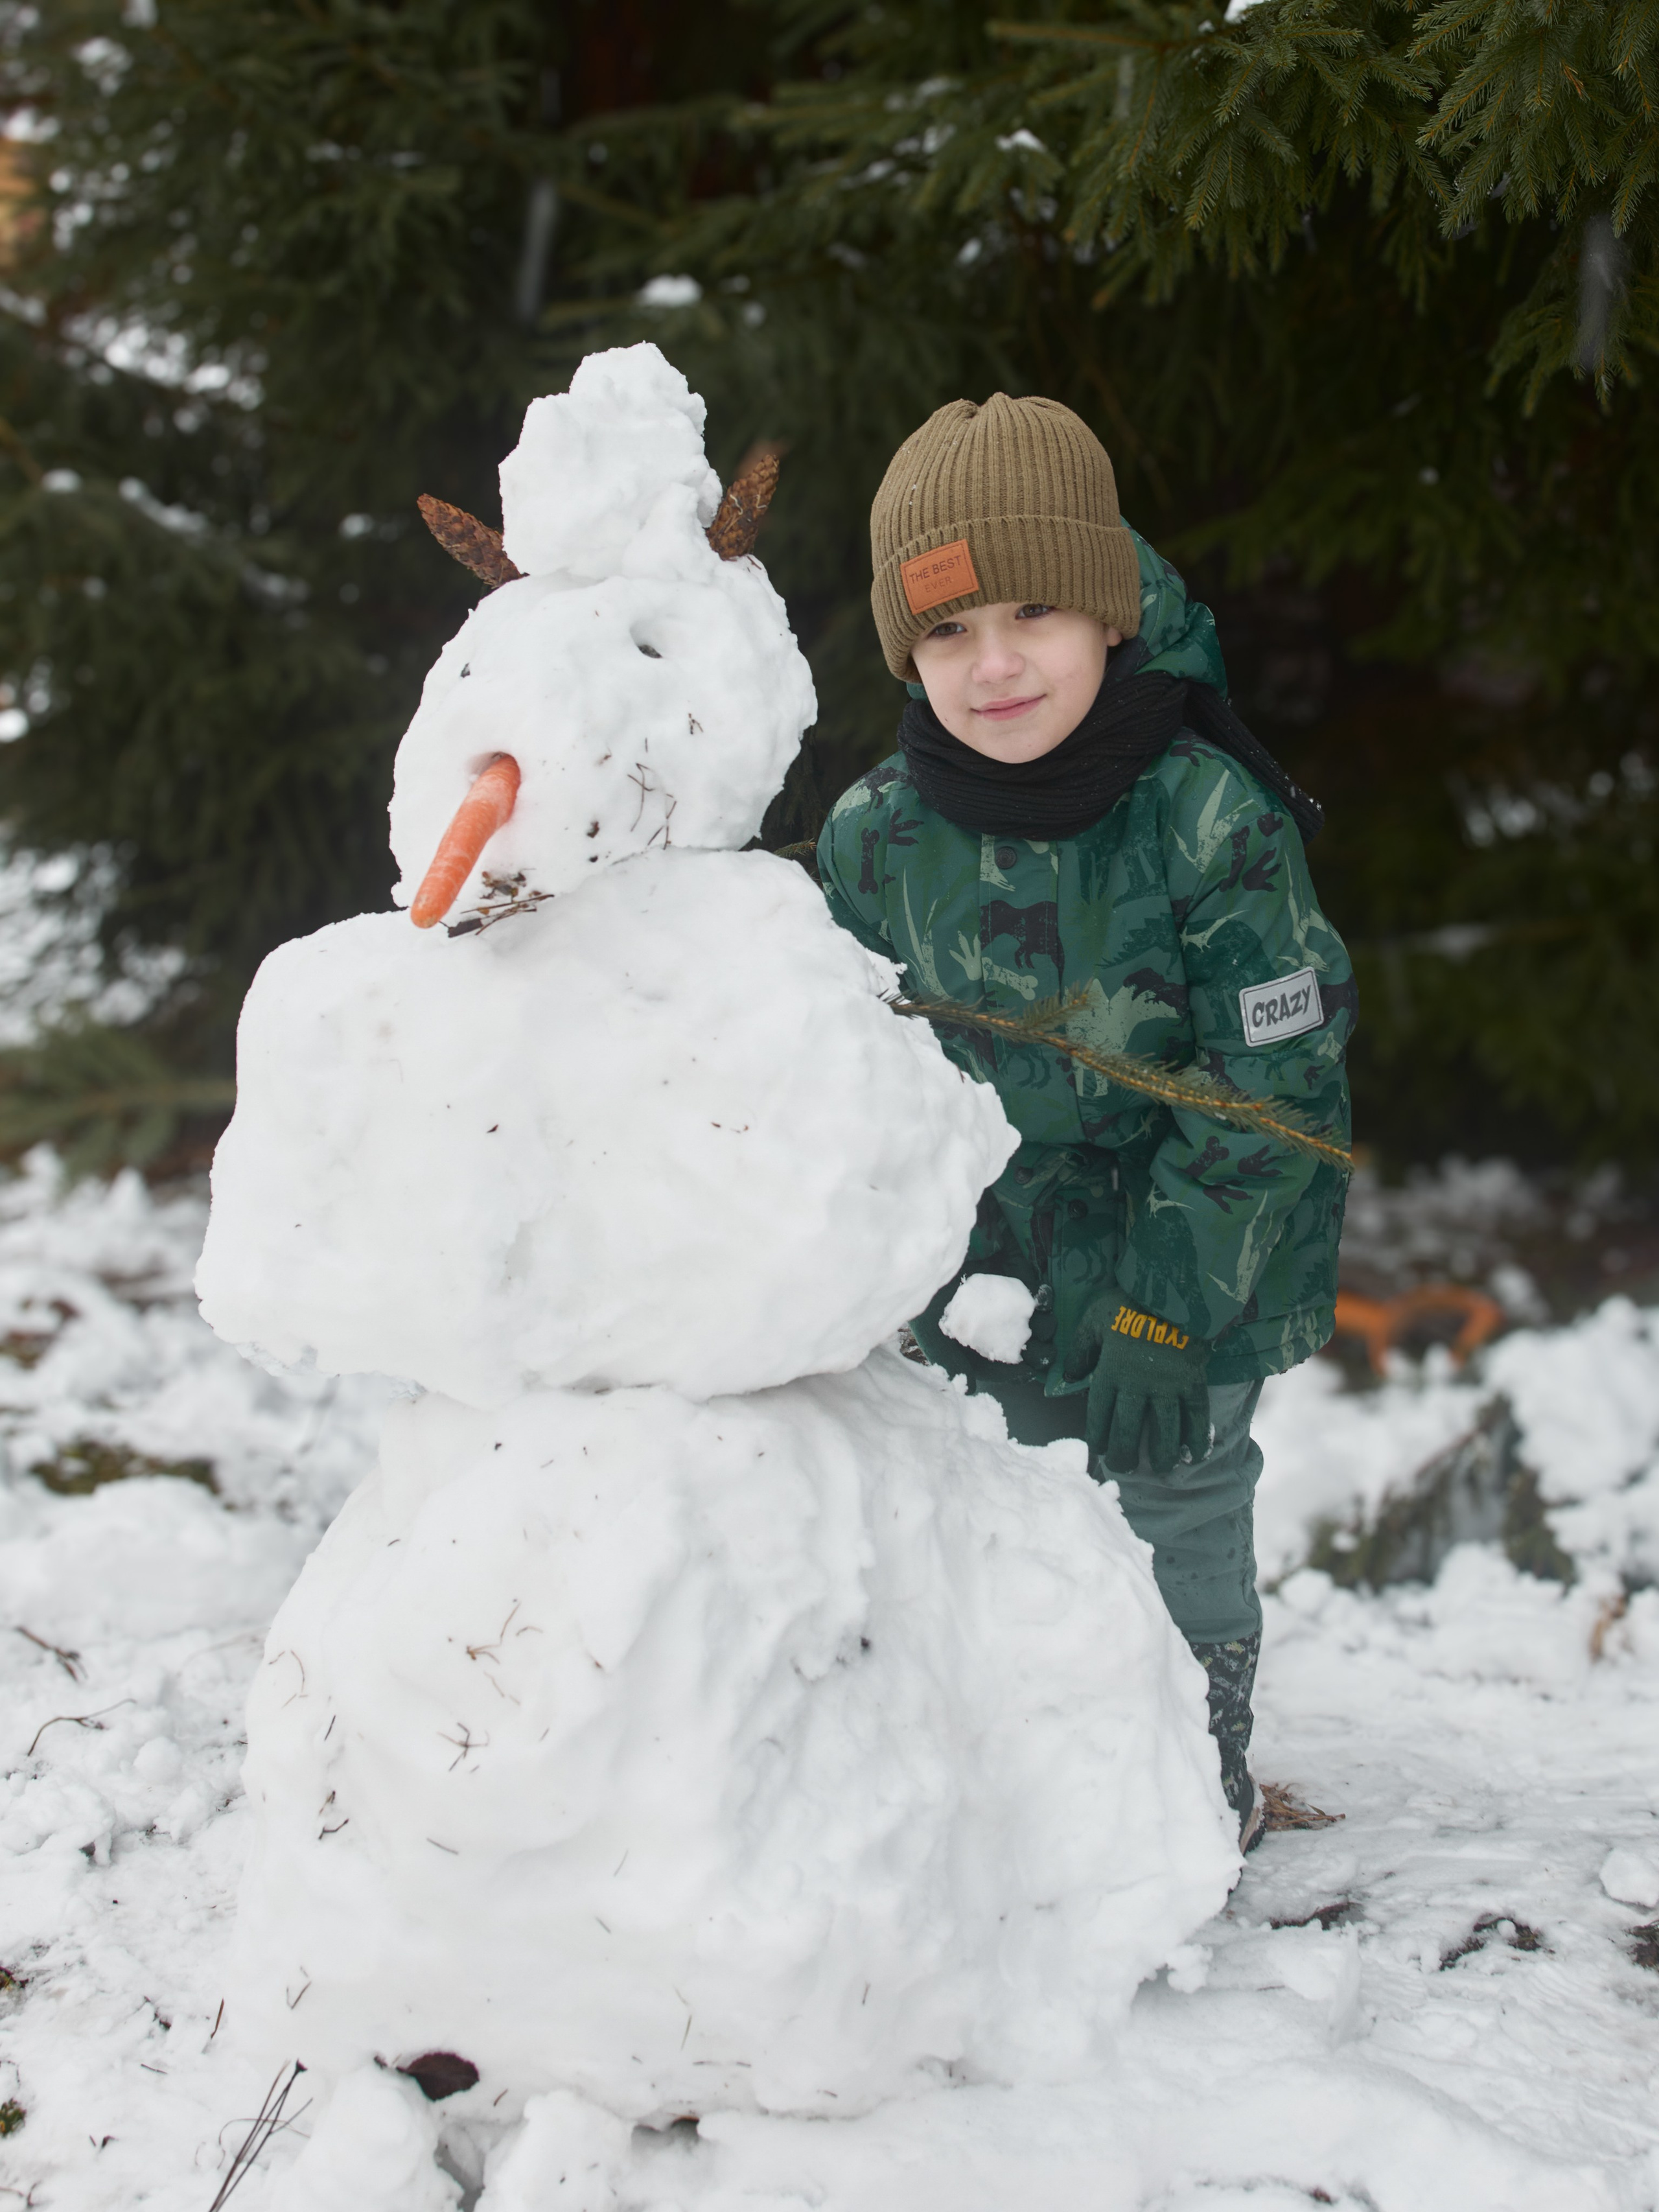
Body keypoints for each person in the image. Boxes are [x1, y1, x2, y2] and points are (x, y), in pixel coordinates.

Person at [815, 394, 1354, 1848]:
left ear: (1106, 617)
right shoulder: (874, 837)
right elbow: (840, 1076)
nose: (990, 667)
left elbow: (1274, 1087)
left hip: (1196, 1252)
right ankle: (1023, 1781)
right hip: (985, 1276)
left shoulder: (1202, 818)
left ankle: (1189, 1776)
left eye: (1032, 614)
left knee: (1172, 1493)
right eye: (943, 634)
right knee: (982, 1510)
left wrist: (1171, 1310)